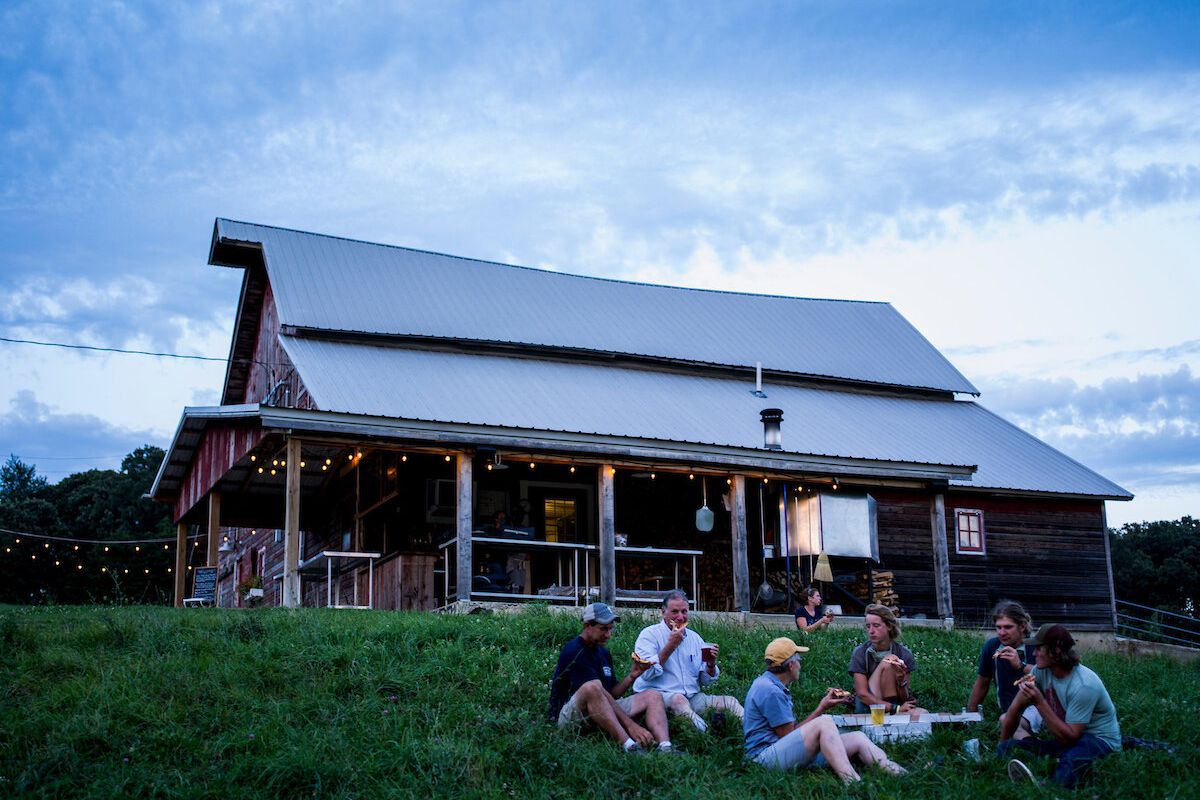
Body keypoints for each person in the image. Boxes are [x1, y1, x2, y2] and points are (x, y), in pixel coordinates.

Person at [744, 637, 907, 784]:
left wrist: (823, 708)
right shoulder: (771, 691)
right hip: (766, 758)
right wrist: (821, 709)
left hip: (781, 751)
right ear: (791, 665)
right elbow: (787, 736)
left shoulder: (770, 684)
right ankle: (852, 782)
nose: (800, 664)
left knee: (858, 737)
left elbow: (792, 736)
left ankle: (901, 774)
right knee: (824, 722)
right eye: (799, 660)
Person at [999, 624, 1121, 789]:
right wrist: (1001, 747)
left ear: (1055, 651)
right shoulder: (1041, 671)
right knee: (1010, 747)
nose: (1033, 653)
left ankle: (1047, 788)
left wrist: (1040, 702)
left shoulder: (1084, 685)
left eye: (1038, 649)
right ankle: (1031, 769)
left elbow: (1070, 737)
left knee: (1072, 759)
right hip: (1066, 738)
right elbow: (1014, 709)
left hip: (1098, 740)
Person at [548, 602, 676, 753]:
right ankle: (630, 746)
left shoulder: (603, 652)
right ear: (587, 625)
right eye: (603, 629)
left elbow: (611, 694)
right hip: (570, 717)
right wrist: (630, 725)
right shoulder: (574, 650)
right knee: (592, 687)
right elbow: (596, 691)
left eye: (610, 629)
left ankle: (665, 746)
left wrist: (632, 676)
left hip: (600, 711)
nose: (608, 635)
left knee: (653, 695)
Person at [633, 589, 744, 732]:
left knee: (730, 702)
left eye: (684, 612)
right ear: (663, 612)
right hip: (659, 695)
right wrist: (670, 646)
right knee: (679, 700)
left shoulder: (694, 638)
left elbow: (705, 681)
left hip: (692, 697)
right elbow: (646, 674)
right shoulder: (649, 635)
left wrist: (710, 664)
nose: (680, 617)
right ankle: (706, 736)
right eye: (675, 612)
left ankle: (755, 732)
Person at [967, 600, 1041, 737]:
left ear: (1022, 626)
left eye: (1008, 627)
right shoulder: (992, 646)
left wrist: (1021, 666)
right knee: (1007, 721)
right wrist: (970, 715)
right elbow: (982, 682)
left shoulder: (1035, 646)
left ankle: (1035, 751)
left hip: (1038, 707)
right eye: (998, 627)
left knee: (1007, 722)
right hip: (1009, 708)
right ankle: (1032, 748)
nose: (1002, 632)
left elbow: (1049, 676)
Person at [848, 604, 927, 715]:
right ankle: (891, 713)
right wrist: (895, 708)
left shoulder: (904, 654)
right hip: (869, 706)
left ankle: (891, 716)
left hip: (896, 706)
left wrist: (900, 679)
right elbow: (862, 694)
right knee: (890, 660)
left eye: (876, 625)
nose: (871, 631)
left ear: (889, 626)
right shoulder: (860, 652)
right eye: (868, 626)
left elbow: (905, 697)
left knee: (923, 714)